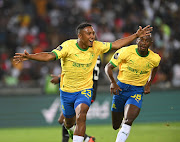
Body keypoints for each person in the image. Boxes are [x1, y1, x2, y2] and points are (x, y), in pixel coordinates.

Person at [13, 22, 152, 142]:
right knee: (68, 123)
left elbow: (115, 44)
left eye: (93, 33)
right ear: (80, 36)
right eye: (88, 33)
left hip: (85, 90)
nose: (92, 36)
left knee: (82, 114)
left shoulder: (97, 46)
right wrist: (30, 56)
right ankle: (78, 135)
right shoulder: (68, 46)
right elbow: (50, 56)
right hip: (66, 92)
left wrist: (136, 35)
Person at [104, 35, 161, 142]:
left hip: (136, 90)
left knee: (128, 120)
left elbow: (155, 67)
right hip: (120, 89)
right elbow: (108, 67)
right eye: (141, 40)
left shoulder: (154, 58)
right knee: (116, 125)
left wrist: (149, 83)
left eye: (147, 41)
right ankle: (122, 128)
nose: (144, 43)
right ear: (137, 41)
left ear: (151, 43)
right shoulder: (126, 51)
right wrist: (113, 82)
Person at [50, 56, 101, 142]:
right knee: (64, 120)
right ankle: (87, 139)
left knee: (63, 119)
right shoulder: (96, 54)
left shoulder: (86, 54)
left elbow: (78, 72)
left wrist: (59, 79)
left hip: (83, 90)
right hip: (90, 90)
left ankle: (87, 139)